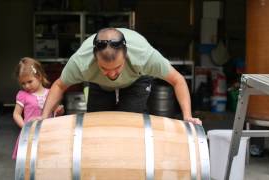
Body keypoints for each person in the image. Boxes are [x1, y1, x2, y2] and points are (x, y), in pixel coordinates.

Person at [41, 28, 201, 125]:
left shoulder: (144, 55)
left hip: (136, 79)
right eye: (104, 68)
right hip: (97, 83)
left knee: (130, 122)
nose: (112, 74)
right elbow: (60, 85)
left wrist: (187, 116)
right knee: (97, 125)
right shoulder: (81, 61)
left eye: (117, 67)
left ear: (126, 56)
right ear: (95, 59)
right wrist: (44, 117)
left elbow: (177, 80)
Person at [12, 57, 63, 160]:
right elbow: (16, 114)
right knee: (29, 162)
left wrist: (59, 111)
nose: (26, 86)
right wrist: (25, 127)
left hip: (48, 134)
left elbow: (56, 113)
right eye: (23, 83)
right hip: (30, 135)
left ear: (39, 76)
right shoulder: (23, 95)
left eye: (29, 81)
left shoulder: (50, 93)